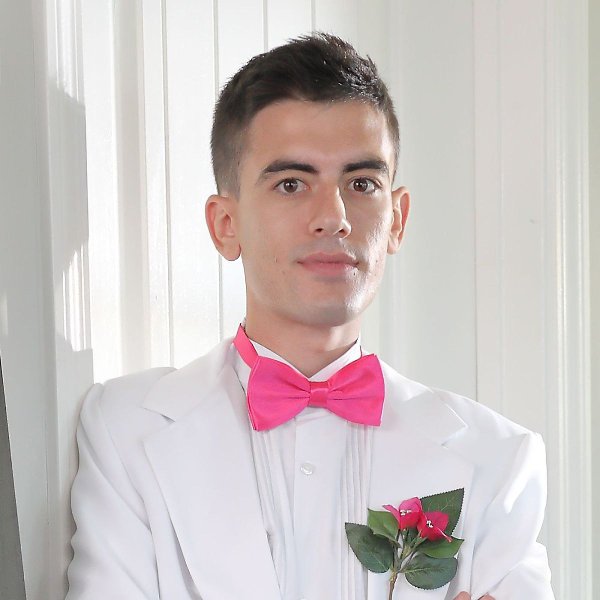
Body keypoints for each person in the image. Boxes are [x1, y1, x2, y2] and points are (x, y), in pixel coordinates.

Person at [66, 33, 554, 600]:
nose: (333, 216)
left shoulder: (498, 458)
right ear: (226, 225)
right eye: (291, 184)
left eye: (361, 183)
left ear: (397, 219)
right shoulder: (125, 430)